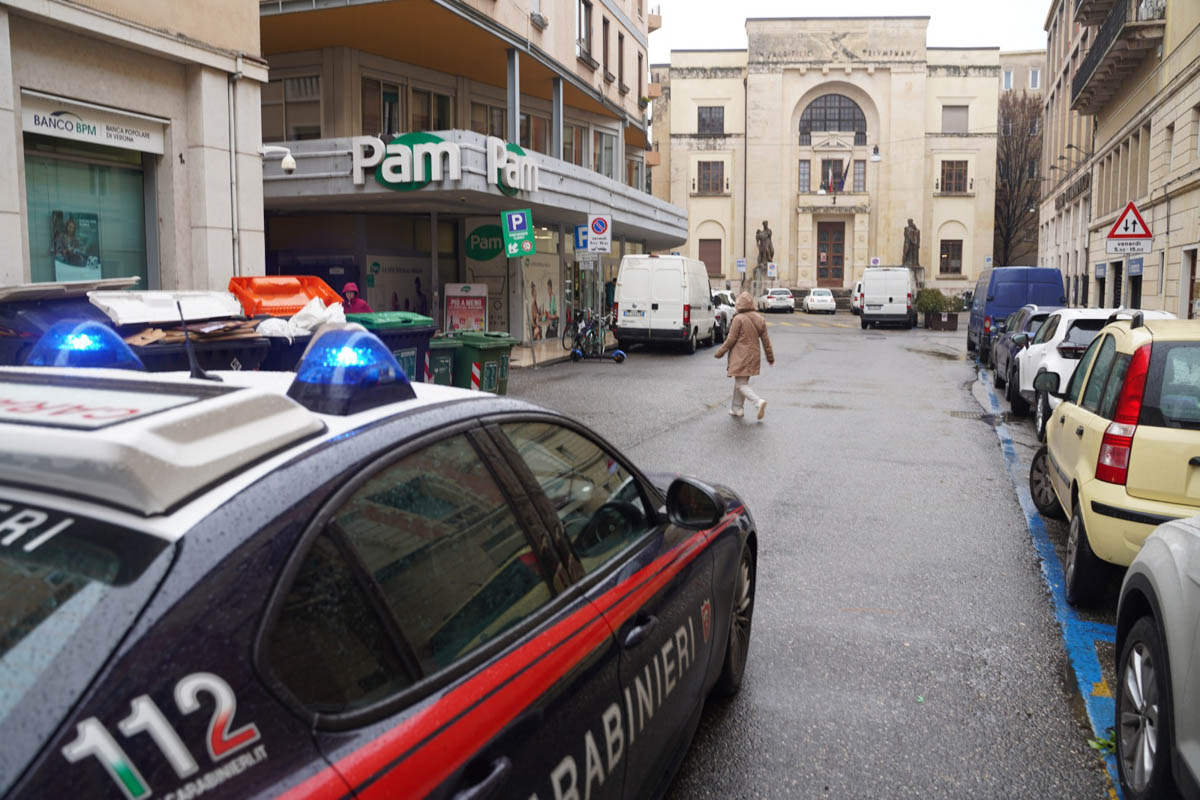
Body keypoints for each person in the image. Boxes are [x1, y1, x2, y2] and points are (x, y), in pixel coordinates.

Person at [714, 291, 774, 420]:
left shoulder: (738, 318)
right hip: (754, 355)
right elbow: (766, 341)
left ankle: (758, 402)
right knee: (741, 382)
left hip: (741, 355)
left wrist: (720, 352)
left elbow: (730, 339)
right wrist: (770, 357)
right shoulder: (760, 318)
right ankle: (737, 408)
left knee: (741, 384)